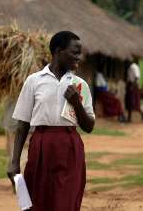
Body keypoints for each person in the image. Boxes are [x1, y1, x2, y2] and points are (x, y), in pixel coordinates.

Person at [8, 31, 95, 211]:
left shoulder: (80, 85)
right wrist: (14, 161)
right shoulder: (34, 81)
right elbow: (23, 123)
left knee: (66, 201)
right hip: (41, 146)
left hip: (70, 147)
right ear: (58, 51)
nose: (79, 57)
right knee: (39, 199)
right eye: (75, 52)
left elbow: (89, 126)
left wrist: (76, 103)